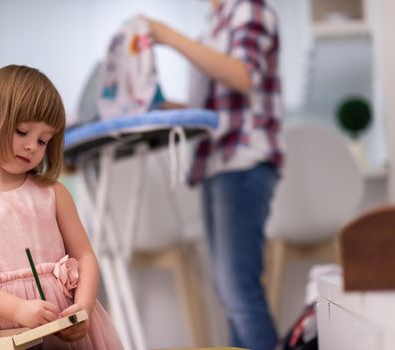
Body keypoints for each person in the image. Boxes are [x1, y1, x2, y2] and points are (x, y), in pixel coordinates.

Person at [0, 64, 123, 350]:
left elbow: (85, 256)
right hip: (4, 328)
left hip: (62, 324)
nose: (32, 146)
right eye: (22, 131)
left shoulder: (53, 193)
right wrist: (17, 309)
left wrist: (83, 307)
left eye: (43, 140)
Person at [148, 0, 283, 349]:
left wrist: (171, 38)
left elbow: (241, 74)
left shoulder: (249, 11)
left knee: (239, 288)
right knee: (230, 291)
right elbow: (212, 107)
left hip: (243, 159)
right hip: (218, 163)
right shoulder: (216, 23)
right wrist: (162, 106)